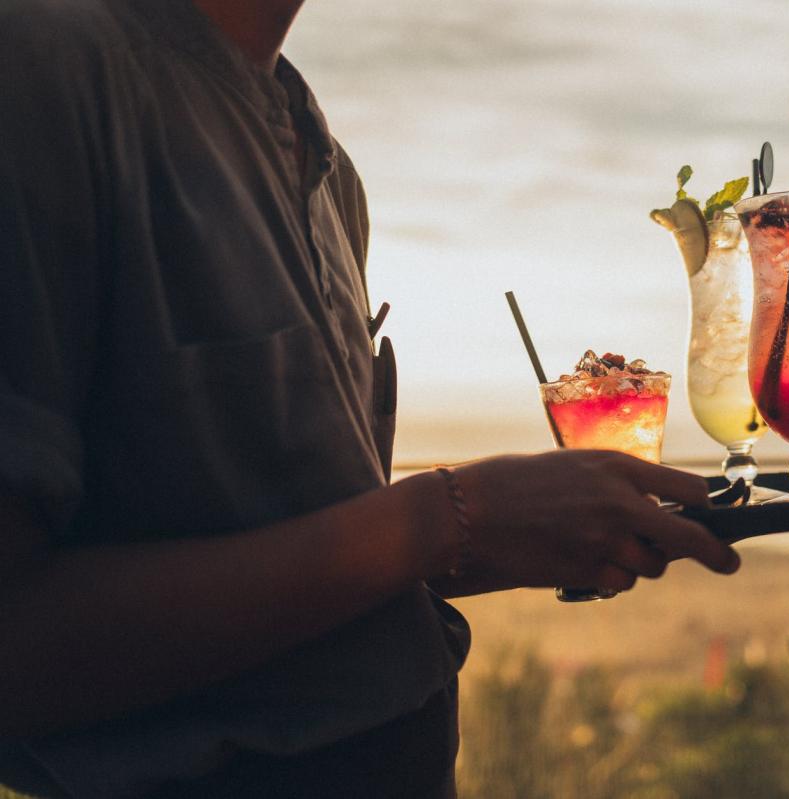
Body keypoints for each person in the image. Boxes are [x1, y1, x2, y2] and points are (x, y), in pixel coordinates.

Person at [0, 0, 741, 796]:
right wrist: (449, 514)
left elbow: (312, 560)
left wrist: (518, 529)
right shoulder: (41, 70)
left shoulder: (328, 172)